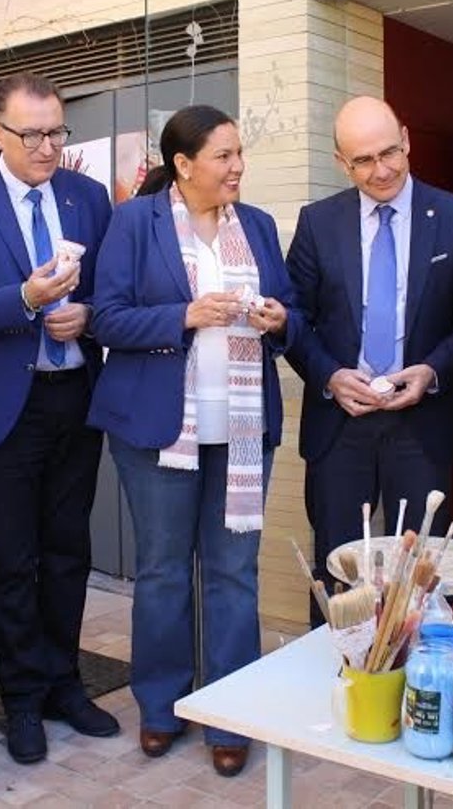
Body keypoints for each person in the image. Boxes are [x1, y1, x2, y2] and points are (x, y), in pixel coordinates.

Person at [88, 105, 295, 778]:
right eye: (223, 155)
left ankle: (230, 713)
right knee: (163, 571)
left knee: (234, 573)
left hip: (242, 431)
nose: (238, 167)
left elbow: (293, 314)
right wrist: (184, 314)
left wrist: (278, 318)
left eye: (239, 153)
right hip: (158, 432)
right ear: (183, 164)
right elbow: (106, 319)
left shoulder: (256, 225)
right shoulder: (133, 222)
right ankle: (161, 705)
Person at [0, 71, 117, 765]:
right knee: (14, 558)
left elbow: (113, 294)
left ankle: (65, 682)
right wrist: (27, 299)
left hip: (76, 396)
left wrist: (86, 314)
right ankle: (22, 699)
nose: (47, 147)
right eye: (31, 134)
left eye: (56, 132)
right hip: (6, 404)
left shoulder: (88, 197)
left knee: (69, 550)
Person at [285, 96, 453, 624]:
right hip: (339, 426)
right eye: (363, 161)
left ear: (407, 140)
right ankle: (338, 670)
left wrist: (432, 370)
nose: (382, 170)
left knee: (417, 580)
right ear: (341, 163)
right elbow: (293, 317)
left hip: (421, 425)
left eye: (390, 152)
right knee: (339, 575)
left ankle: (411, 674)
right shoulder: (318, 222)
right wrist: (329, 376)